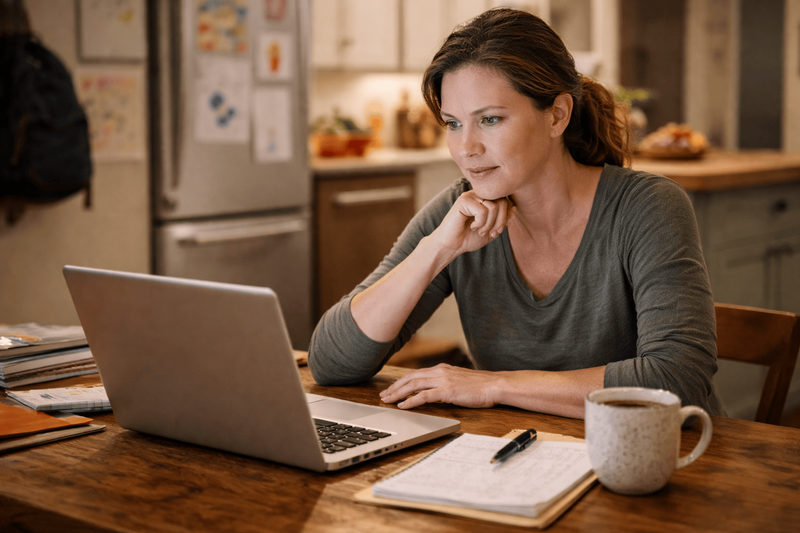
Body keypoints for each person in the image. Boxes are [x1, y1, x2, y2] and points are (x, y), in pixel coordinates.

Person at [308, 7, 724, 418]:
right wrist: (435, 249)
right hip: (518, 460)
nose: (466, 148)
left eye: (489, 119)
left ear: (557, 115)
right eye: (453, 124)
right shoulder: (459, 213)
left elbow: (676, 378)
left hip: (657, 463)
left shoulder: (647, 208)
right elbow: (330, 363)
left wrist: (494, 384)